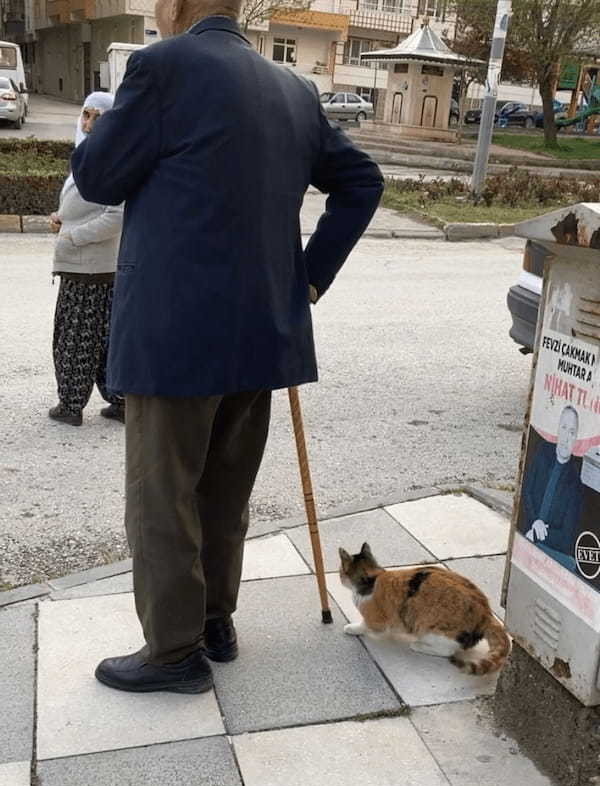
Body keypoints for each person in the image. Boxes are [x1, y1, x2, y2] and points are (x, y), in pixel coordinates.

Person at [71, 0, 384, 694]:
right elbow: (362, 182)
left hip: (174, 332)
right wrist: (307, 277)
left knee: (163, 497)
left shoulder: (161, 67)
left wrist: (88, 134)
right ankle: (215, 620)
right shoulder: (291, 88)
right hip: (260, 328)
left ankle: (173, 651)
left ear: (177, 6)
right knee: (224, 488)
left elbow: (97, 178)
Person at [49, 92, 125, 427]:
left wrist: (71, 235)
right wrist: (62, 218)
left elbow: (116, 217)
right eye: (85, 114)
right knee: (104, 338)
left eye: (99, 117)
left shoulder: (115, 160)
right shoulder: (89, 155)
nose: (89, 123)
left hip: (91, 266)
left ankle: (70, 405)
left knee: (74, 337)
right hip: (91, 265)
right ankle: (120, 402)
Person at [520, 404, 583, 560]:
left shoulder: (575, 483)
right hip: (523, 533)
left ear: (576, 438)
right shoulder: (543, 451)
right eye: (564, 427)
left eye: (572, 432)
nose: (566, 437)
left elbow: (566, 538)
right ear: (557, 429)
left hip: (547, 552)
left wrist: (536, 535)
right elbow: (526, 489)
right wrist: (534, 521)